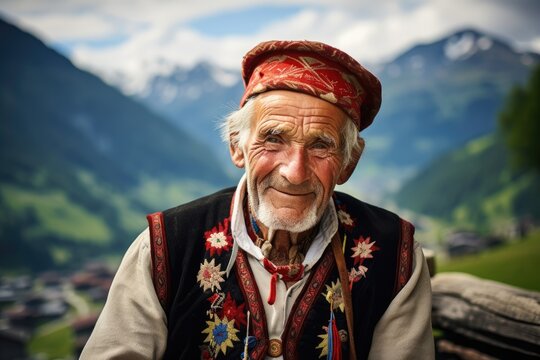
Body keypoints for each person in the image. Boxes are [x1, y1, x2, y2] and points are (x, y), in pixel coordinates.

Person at [80, 40, 434, 360]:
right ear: (237, 146)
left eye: (321, 145)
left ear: (348, 163)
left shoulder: (395, 255)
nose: (294, 172)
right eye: (273, 139)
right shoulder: (164, 247)